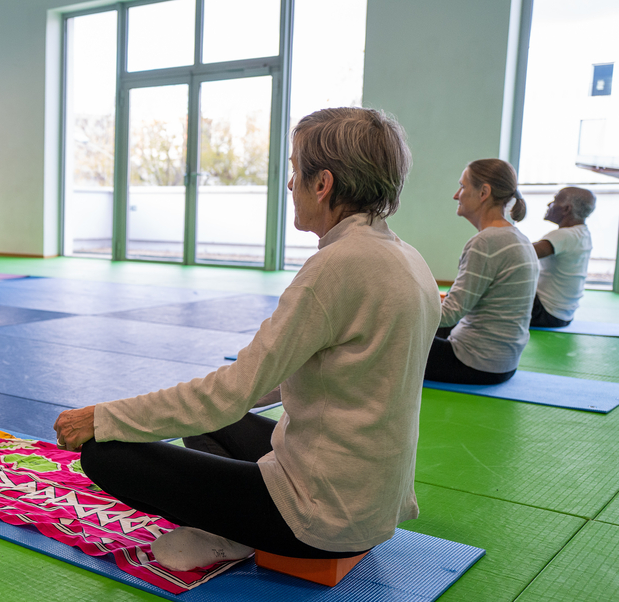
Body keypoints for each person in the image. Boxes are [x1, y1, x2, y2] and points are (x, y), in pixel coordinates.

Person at [52, 108, 440, 571]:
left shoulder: (338, 267)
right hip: (373, 504)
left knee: (105, 452)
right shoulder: (409, 258)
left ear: (324, 184)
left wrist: (104, 416)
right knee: (202, 421)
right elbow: (312, 376)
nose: (291, 184)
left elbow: (229, 394)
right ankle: (235, 521)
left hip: (319, 520)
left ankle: (236, 532)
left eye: (296, 171)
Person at [425, 160, 539, 384]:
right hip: (503, 362)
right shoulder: (518, 237)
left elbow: (448, 315)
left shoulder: (486, 242)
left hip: (475, 362)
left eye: (463, 186)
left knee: (388, 341)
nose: (456, 195)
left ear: (484, 192)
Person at [530, 187, 595, 328]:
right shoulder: (583, 233)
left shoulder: (564, 235)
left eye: (554, 201)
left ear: (566, 209)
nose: (549, 205)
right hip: (562, 316)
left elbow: (519, 254)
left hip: (545, 313)